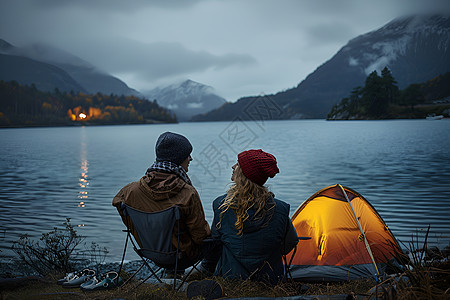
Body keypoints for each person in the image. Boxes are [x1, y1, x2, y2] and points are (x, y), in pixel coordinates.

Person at [112, 131, 218, 276]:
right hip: (182, 257)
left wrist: (141, 232)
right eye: (187, 155)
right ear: (178, 159)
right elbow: (200, 236)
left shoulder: (130, 191)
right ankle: (206, 274)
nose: (191, 158)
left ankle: (171, 275)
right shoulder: (187, 193)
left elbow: (117, 202)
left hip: (150, 252)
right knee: (216, 239)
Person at [211, 149, 298, 285]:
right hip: (270, 280)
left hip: (231, 277)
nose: (233, 166)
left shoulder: (222, 206)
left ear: (246, 173)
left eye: (238, 164)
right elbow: (291, 242)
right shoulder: (280, 209)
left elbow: (214, 244)